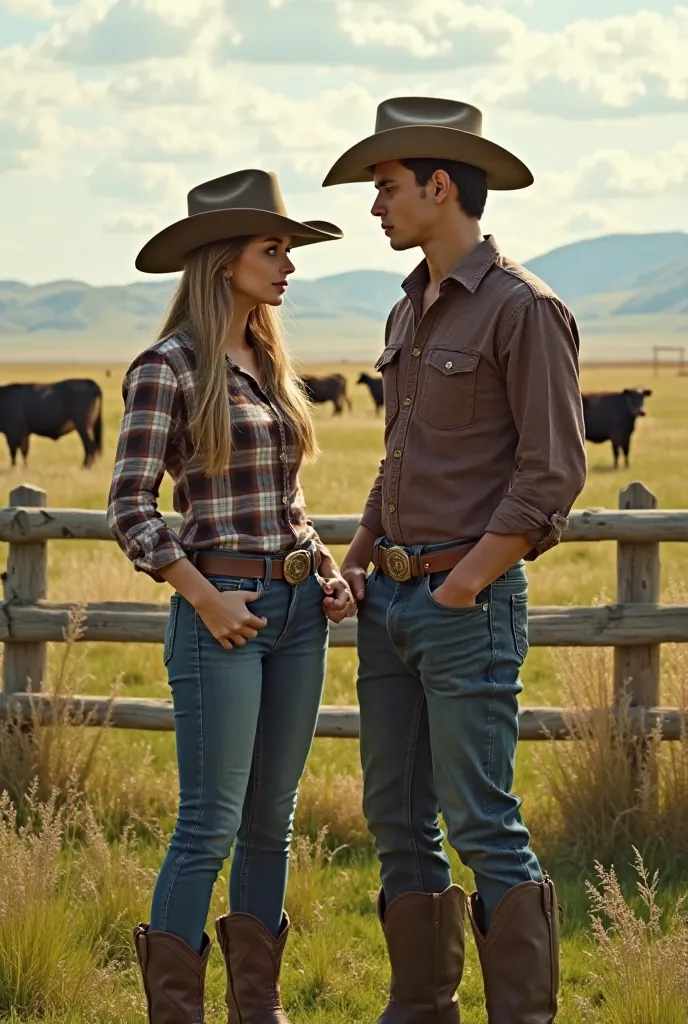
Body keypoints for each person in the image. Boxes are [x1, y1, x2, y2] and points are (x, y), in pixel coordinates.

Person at [323, 97, 587, 1022]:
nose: (375, 208)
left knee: (480, 821)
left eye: (386, 188)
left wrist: (465, 582)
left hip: (462, 606)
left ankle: (524, 1016)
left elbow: (551, 473)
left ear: (440, 187)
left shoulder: (525, 308)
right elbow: (401, 462)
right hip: (391, 603)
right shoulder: (410, 308)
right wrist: (357, 561)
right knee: (397, 822)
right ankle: (421, 1009)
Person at [107, 168, 356, 1024]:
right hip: (224, 615)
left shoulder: (271, 362)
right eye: (272, 249)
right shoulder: (167, 367)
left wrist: (321, 565)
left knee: (271, 820)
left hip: (294, 609)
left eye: (287, 248)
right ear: (223, 262)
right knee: (209, 823)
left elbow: (282, 502)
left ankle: (261, 1010)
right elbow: (130, 506)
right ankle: (178, 1015)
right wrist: (204, 597)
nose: (287, 265)